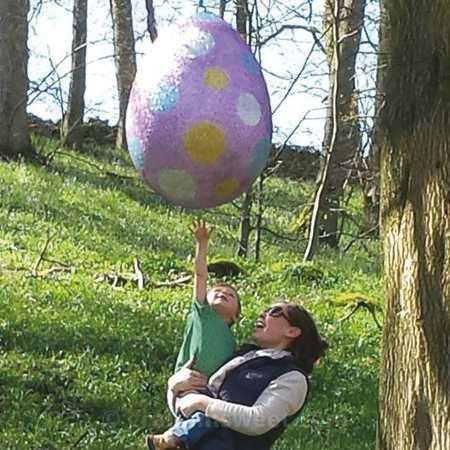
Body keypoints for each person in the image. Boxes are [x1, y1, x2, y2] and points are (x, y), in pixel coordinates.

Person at [164, 302, 328, 450]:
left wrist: (202, 403)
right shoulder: (242, 356)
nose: (263, 313)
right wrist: (174, 388)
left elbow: (258, 421)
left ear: (292, 331)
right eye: (266, 309)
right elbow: (187, 409)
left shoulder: (292, 378)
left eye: (275, 311)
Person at [146, 219, 241, 450]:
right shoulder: (202, 315)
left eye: (231, 294)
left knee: (209, 423)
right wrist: (202, 244)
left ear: (237, 316)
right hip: (189, 388)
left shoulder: (234, 343)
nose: (222, 292)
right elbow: (200, 277)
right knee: (205, 418)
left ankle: (175, 441)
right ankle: (171, 438)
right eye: (217, 291)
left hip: (211, 393)